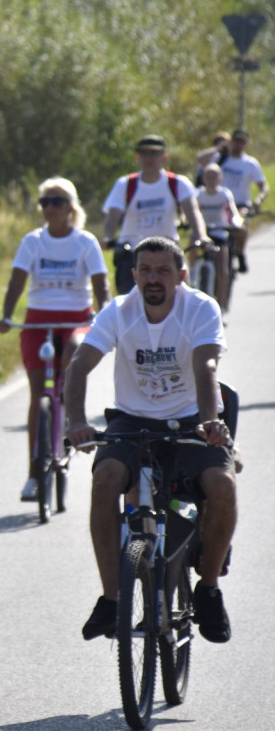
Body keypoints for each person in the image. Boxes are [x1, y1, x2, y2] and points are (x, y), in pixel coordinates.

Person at [65, 236, 236, 645]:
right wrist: (74, 421)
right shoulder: (120, 311)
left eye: (162, 271)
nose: (153, 279)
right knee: (104, 479)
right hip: (132, 419)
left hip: (192, 419)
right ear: (134, 274)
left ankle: (208, 589)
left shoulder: (199, 308)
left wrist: (211, 422)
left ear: (181, 275)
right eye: (145, 270)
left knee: (222, 487)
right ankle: (112, 598)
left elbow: (206, 366)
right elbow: (79, 365)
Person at [0, 178, 109, 500]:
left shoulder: (86, 242)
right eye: (45, 201)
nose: (49, 207)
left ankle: (70, 417)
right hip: (38, 320)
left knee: (74, 349)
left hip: (77, 318)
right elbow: (16, 282)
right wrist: (7, 315)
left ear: (71, 207)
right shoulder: (32, 241)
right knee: (37, 393)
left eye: (56, 201)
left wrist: (107, 316)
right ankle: (34, 472)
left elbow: (101, 286)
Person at [101, 135, 210, 295]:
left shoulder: (177, 183)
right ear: (138, 158)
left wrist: (202, 235)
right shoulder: (125, 184)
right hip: (131, 250)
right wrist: (107, 236)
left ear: (164, 157)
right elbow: (113, 215)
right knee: (127, 298)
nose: (149, 158)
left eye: (154, 153)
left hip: (168, 248)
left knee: (183, 292)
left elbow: (192, 211)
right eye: (144, 153)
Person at [193, 162, 241, 313]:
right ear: (203, 178)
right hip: (203, 233)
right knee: (191, 242)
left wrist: (236, 222)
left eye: (214, 176)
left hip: (220, 233)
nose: (211, 179)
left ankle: (221, 307)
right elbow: (192, 211)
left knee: (222, 271)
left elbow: (233, 211)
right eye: (208, 176)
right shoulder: (199, 194)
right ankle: (191, 274)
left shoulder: (224, 194)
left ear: (220, 178)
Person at [217, 129, 266, 273]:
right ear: (231, 142)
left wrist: (259, 199)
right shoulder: (221, 158)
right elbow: (201, 161)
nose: (239, 145)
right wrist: (217, 148)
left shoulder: (250, 163)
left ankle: (241, 254)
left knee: (240, 225)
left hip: (240, 204)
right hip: (219, 202)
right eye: (236, 141)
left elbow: (263, 186)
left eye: (242, 142)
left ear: (247, 144)